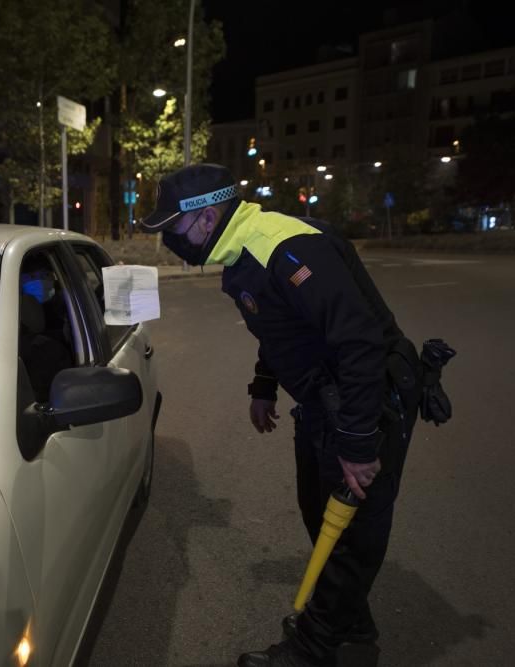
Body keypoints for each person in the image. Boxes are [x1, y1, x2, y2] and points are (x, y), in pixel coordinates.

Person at [140, 164, 423, 667]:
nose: (170, 241)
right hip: (323, 403)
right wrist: (265, 385)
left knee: (349, 538)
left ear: (206, 217)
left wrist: (359, 444)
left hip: (363, 404)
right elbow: (282, 328)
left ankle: (314, 652)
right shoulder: (243, 254)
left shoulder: (286, 249)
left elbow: (359, 343)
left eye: (173, 229)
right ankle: (349, 635)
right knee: (320, 518)